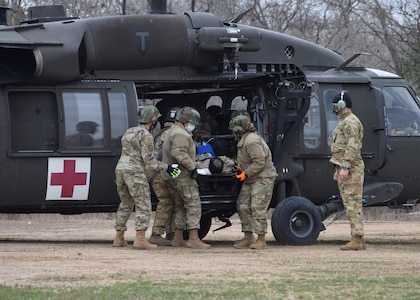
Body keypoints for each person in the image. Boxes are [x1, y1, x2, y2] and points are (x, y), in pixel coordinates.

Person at [113, 105, 181, 250]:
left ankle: (119, 237)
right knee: (143, 205)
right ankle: (140, 238)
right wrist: (167, 167)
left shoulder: (129, 131)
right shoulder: (146, 135)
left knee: (125, 204)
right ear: (153, 120)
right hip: (135, 172)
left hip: (120, 169)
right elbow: (149, 161)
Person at [161, 106, 211, 249]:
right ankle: (193, 238)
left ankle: (177, 237)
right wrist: (192, 167)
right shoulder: (181, 134)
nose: (194, 127)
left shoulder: (172, 131)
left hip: (173, 176)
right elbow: (179, 153)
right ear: (187, 121)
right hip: (182, 176)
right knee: (193, 205)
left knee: (181, 207)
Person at [228, 114, 277, 250]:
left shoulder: (251, 141)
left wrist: (246, 173)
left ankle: (261, 238)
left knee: (257, 208)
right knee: (243, 206)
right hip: (251, 179)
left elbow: (259, 162)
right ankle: (248, 237)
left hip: (262, 178)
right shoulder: (244, 139)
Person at [330, 90, 366, 251]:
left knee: (353, 203)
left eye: (335, 105)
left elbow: (352, 146)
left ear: (342, 105)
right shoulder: (344, 121)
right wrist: (338, 167)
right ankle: (357, 237)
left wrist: (345, 166)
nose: (334, 108)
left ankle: (357, 238)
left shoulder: (350, 122)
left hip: (351, 168)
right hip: (345, 167)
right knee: (349, 202)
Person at [147, 107, 180, 246]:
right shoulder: (172, 133)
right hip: (158, 170)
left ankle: (171, 233)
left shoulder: (162, 133)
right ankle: (156, 234)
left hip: (157, 169)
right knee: (166, 200)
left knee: (171, 200)